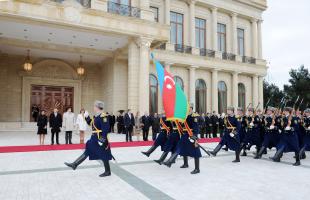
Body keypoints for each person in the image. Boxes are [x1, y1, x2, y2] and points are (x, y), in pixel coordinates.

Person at [64, 100, 113, 177]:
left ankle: (107, 171)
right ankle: (75, 164)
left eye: (94, 106)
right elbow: (91, 123)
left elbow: (106, 129)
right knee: (89, 151)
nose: (93, 107)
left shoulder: (103, 116)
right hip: (94, 138)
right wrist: (87, 117)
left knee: (103, 154)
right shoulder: (96, 116)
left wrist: (102, 140)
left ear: (97, 107)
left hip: (99, 138)